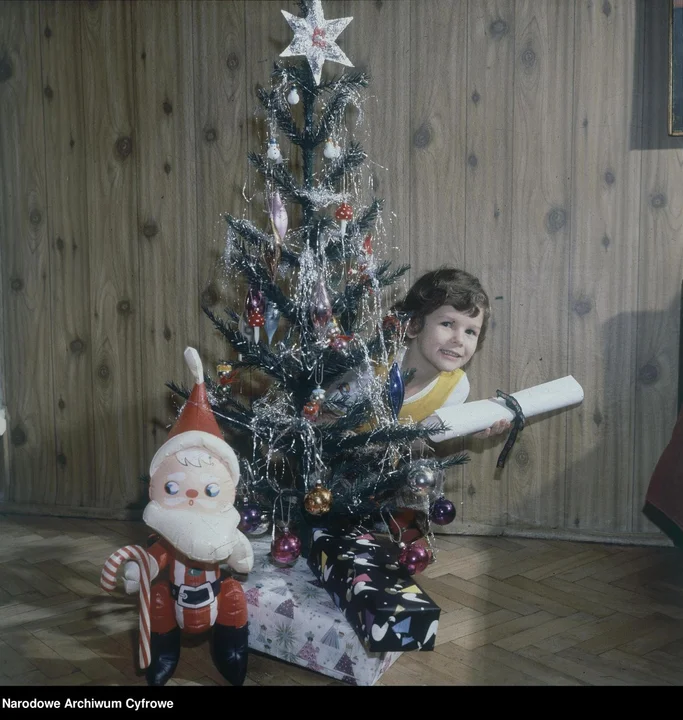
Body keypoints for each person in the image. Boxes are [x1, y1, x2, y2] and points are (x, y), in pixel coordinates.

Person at [328, 267, 511, 442]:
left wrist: (465, 428)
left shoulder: (456, 387)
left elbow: (415, 442)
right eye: (447, 324)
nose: (459, 340)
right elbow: (323, 419)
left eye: (470, 332)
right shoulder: (371, 369)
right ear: (414, 325)